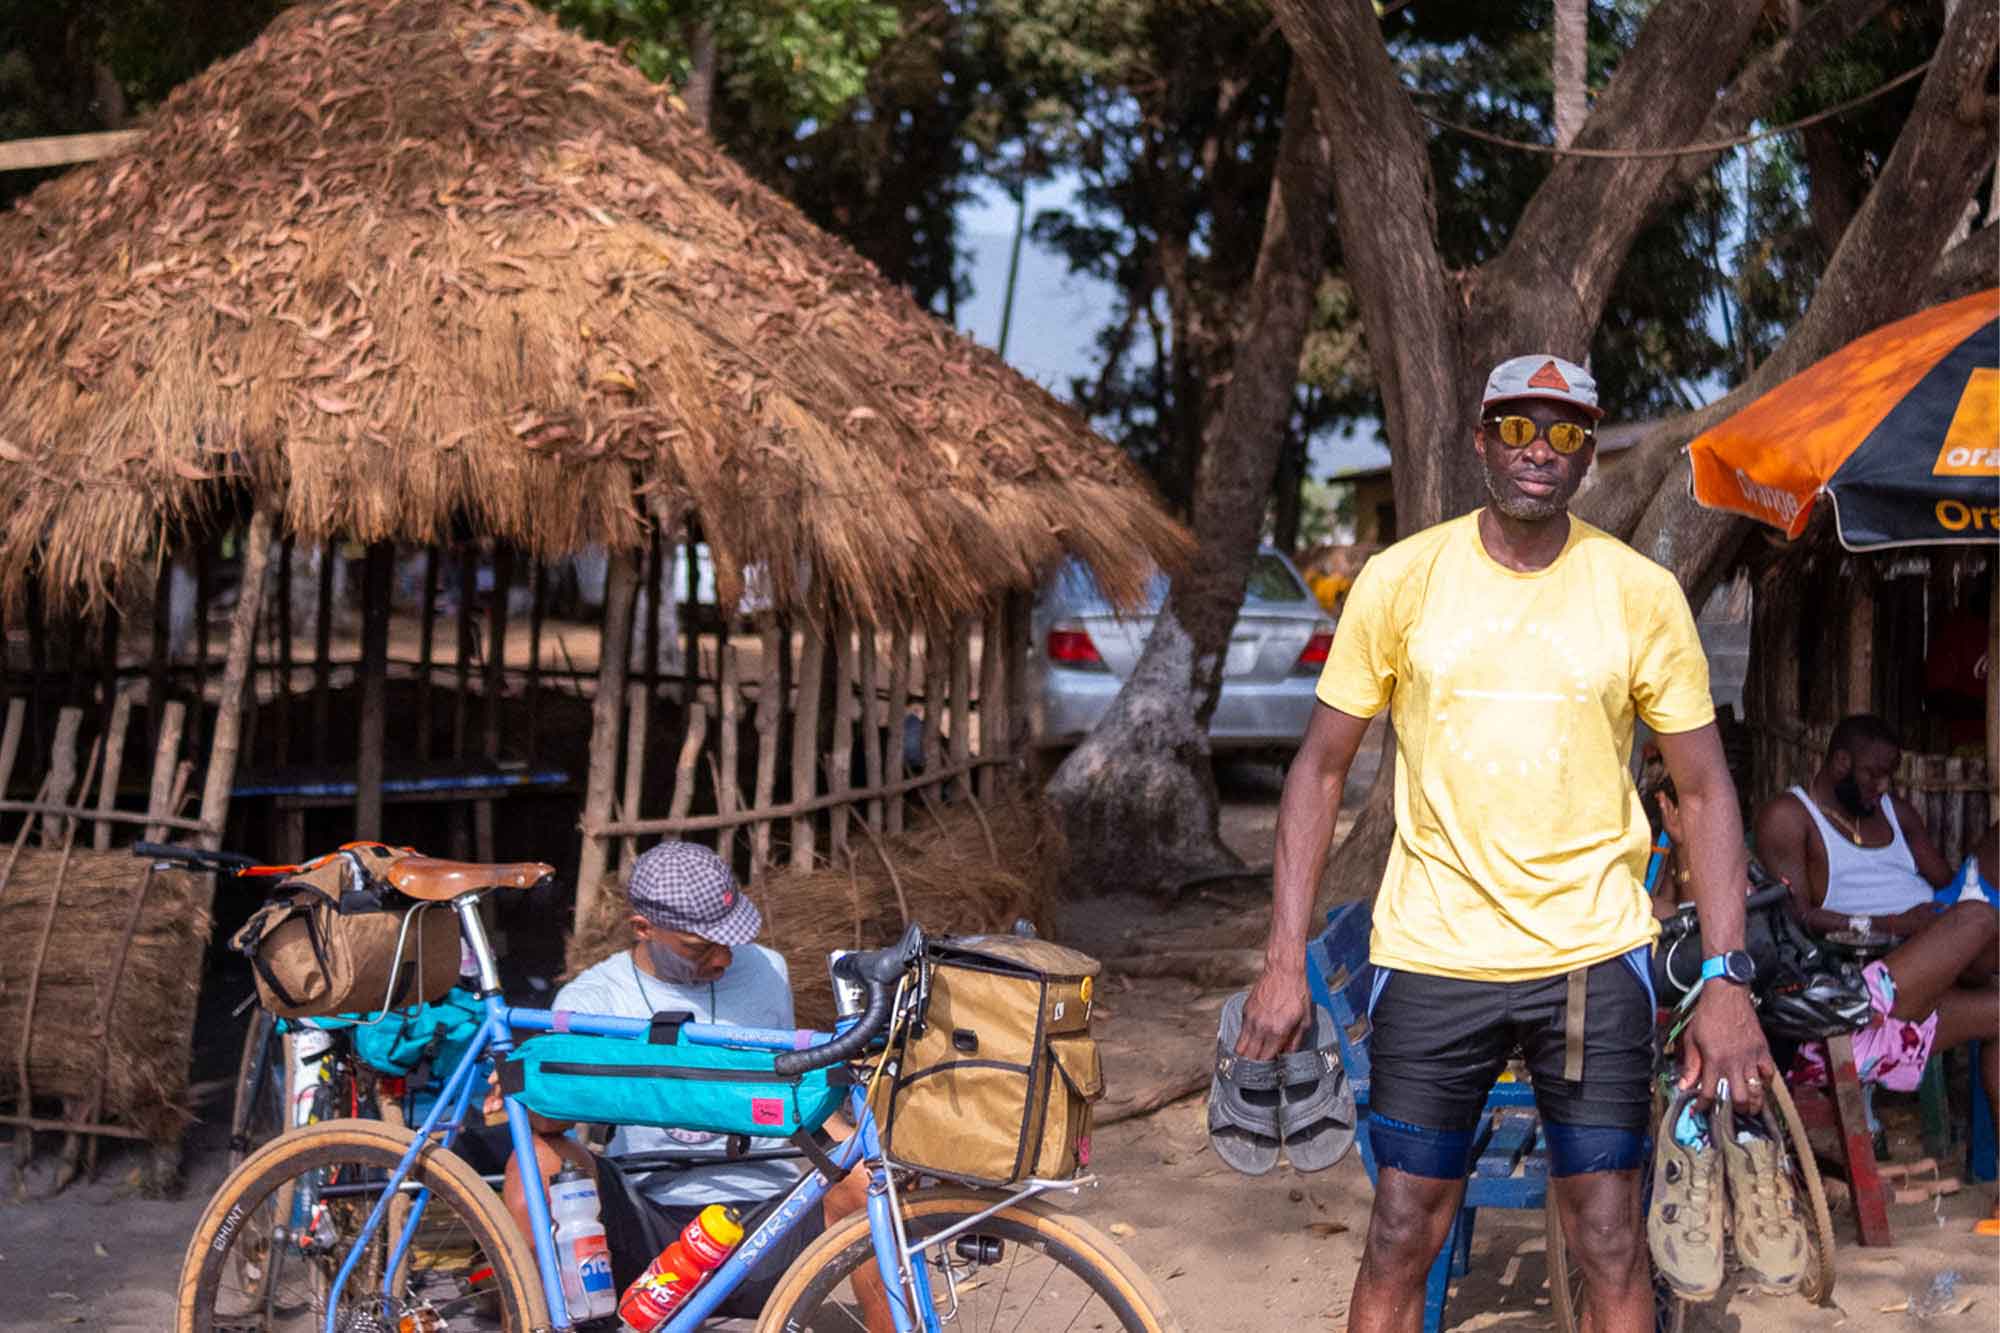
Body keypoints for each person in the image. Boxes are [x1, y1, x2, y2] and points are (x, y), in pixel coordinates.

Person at [1236, 353, 1777, 1332]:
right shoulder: (1400, 580)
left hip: (1587, 959)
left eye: (1565, 431)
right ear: (1479, 440)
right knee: (1401, 1228)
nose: (1541, 450)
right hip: (1434, 954)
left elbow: (1702, 788)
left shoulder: (1636, 593)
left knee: (1609, 1235)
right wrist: (1281, 959)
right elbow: (1316, 770)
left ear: (1585, 452)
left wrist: (1725, 977)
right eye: (1518, 428)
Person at [476, 841, 890, 1328]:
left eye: (730, 940)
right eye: (699, 947)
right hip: (649, 1221)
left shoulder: (766, 971)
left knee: (871, 1175)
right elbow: (548, 1123)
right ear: (643, 929)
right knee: (534, 1165)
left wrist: (866, 1153)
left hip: (770, 1220)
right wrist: (529, 1087)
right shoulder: (591, 1001)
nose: (723, 961)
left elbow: (792, 1095)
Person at [1752, 718, 1997, 1144]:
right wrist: (1898, 925)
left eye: (1889, 775)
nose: (1883, 785)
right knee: (1977, 918)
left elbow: (1944, 881)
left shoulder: (1897, 814)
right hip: (1859, 992)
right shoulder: (1790, 817)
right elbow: (1798, 918)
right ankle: (1975, 958)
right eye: (1874, 773)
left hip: (1929, 962)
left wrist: (1939, 917)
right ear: (1841, 762)